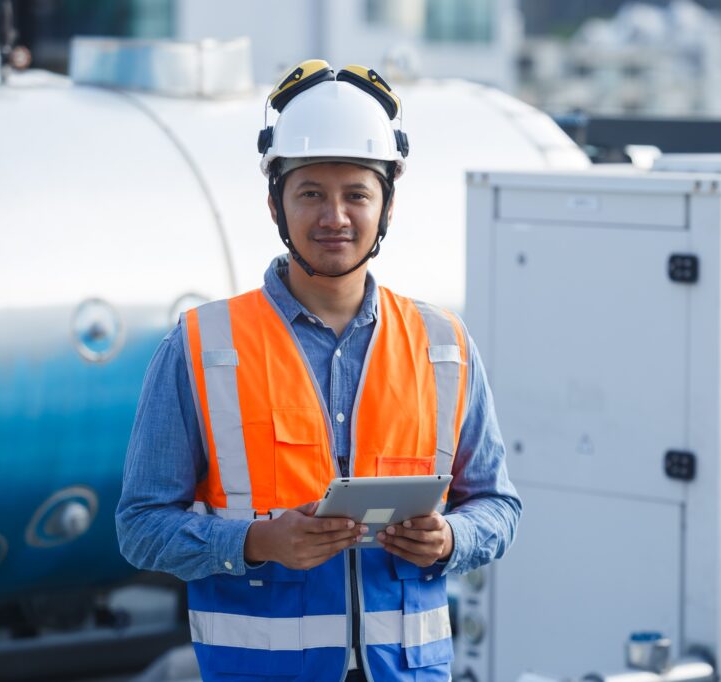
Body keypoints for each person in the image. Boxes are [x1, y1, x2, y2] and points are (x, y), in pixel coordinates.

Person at [116, 60, 521, 682]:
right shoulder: (201, 344)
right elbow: (141, 527)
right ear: (276, 202)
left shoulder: (444, 344)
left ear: (387, 203)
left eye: (357, 193)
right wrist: (254, 544)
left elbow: (497, 504)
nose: (335, 216)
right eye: (311, 193)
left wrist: (450, 540)